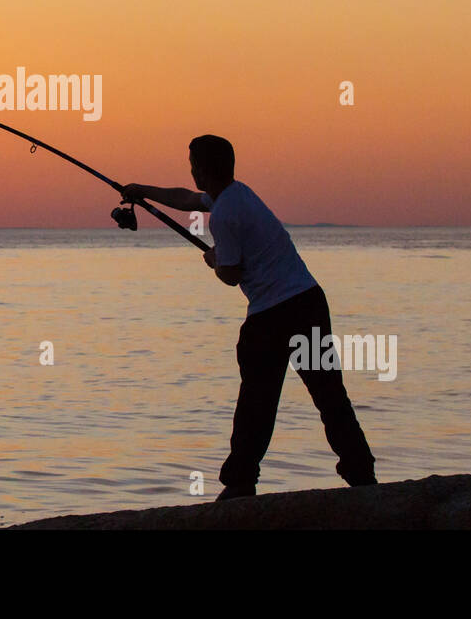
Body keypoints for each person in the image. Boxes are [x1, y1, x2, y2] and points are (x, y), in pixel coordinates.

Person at [122, 135, 377, 500]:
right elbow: (188, 199)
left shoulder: (224, 215)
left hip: (274, 314)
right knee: (329, 395)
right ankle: (362, 475)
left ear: (205, 168)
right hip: (308, 302)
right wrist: (141, 191)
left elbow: (230, 274)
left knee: (257, 400)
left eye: (193, 163)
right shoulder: (237, 193)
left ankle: (241, 482)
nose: (190, 169)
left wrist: (214, 261)